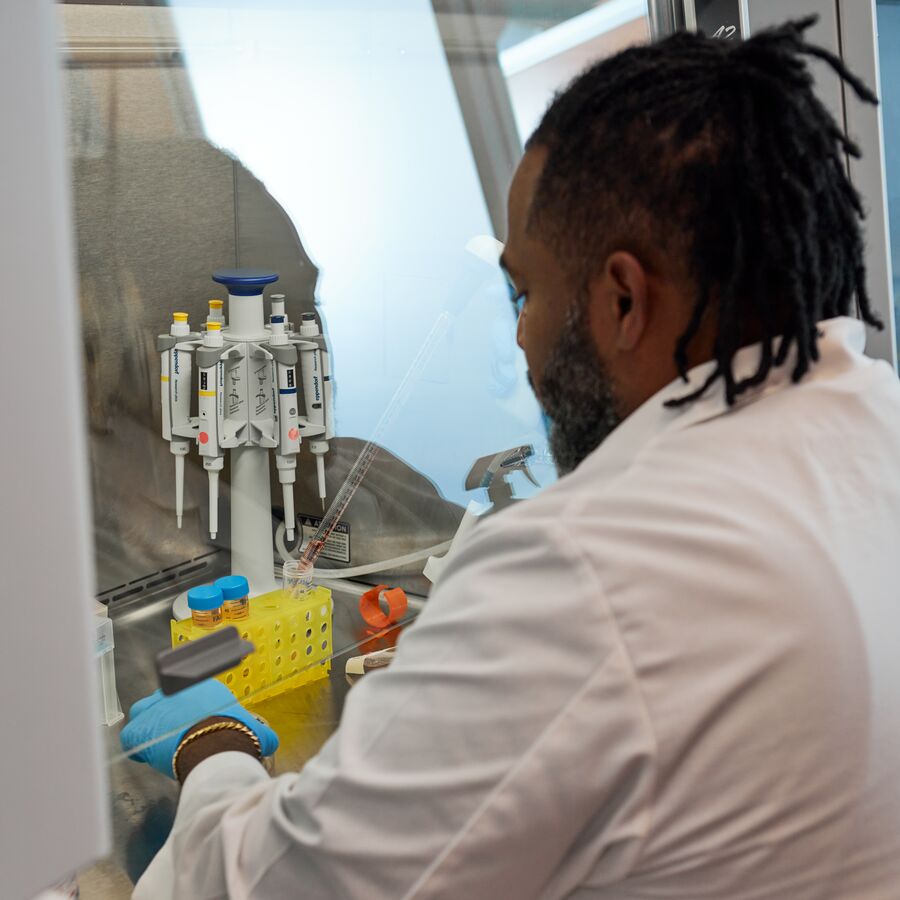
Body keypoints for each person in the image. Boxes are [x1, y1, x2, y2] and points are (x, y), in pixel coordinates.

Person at [121, 18, 900, 898]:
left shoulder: (588, 570)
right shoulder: (875, 431)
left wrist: (210, 749)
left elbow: (282, 885)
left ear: (622, 299)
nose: (521, 337)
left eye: (525, 293)